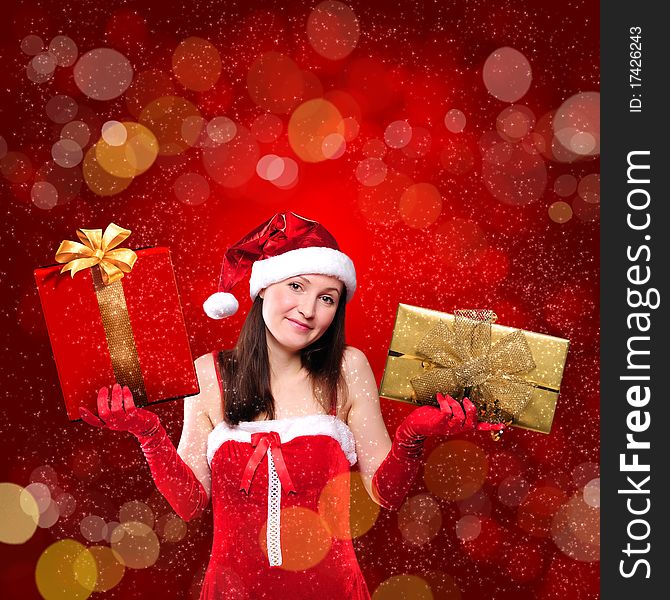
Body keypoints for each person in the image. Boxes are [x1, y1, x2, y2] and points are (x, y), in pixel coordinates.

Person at [79, 212, 502, 599]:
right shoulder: (209, 375)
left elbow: (384, 494)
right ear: (263, 288)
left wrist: (414, 434)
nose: (308, 310)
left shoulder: (348, 368)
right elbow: (190, 503)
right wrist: (148, 434)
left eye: (328, 297)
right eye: (297, 286)